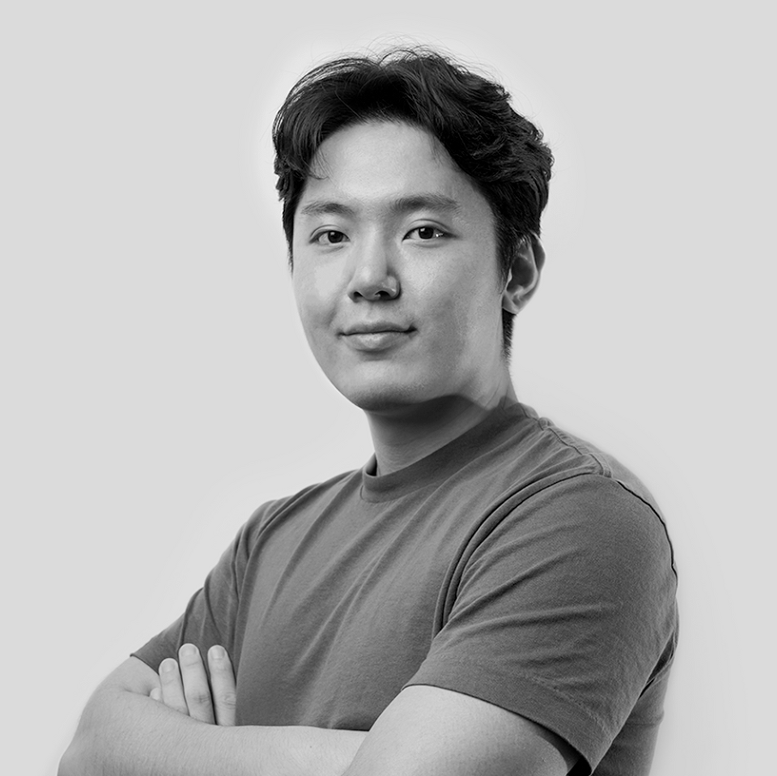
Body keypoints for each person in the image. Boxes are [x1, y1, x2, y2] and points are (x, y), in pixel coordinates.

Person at [59, 47, 678, 776]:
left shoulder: (579, 516)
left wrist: (180, 754)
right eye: (331, 235)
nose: (369, 277)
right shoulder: (273, 540)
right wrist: (359, 756)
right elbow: (90, 751)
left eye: (423, 230)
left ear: (515, 270)